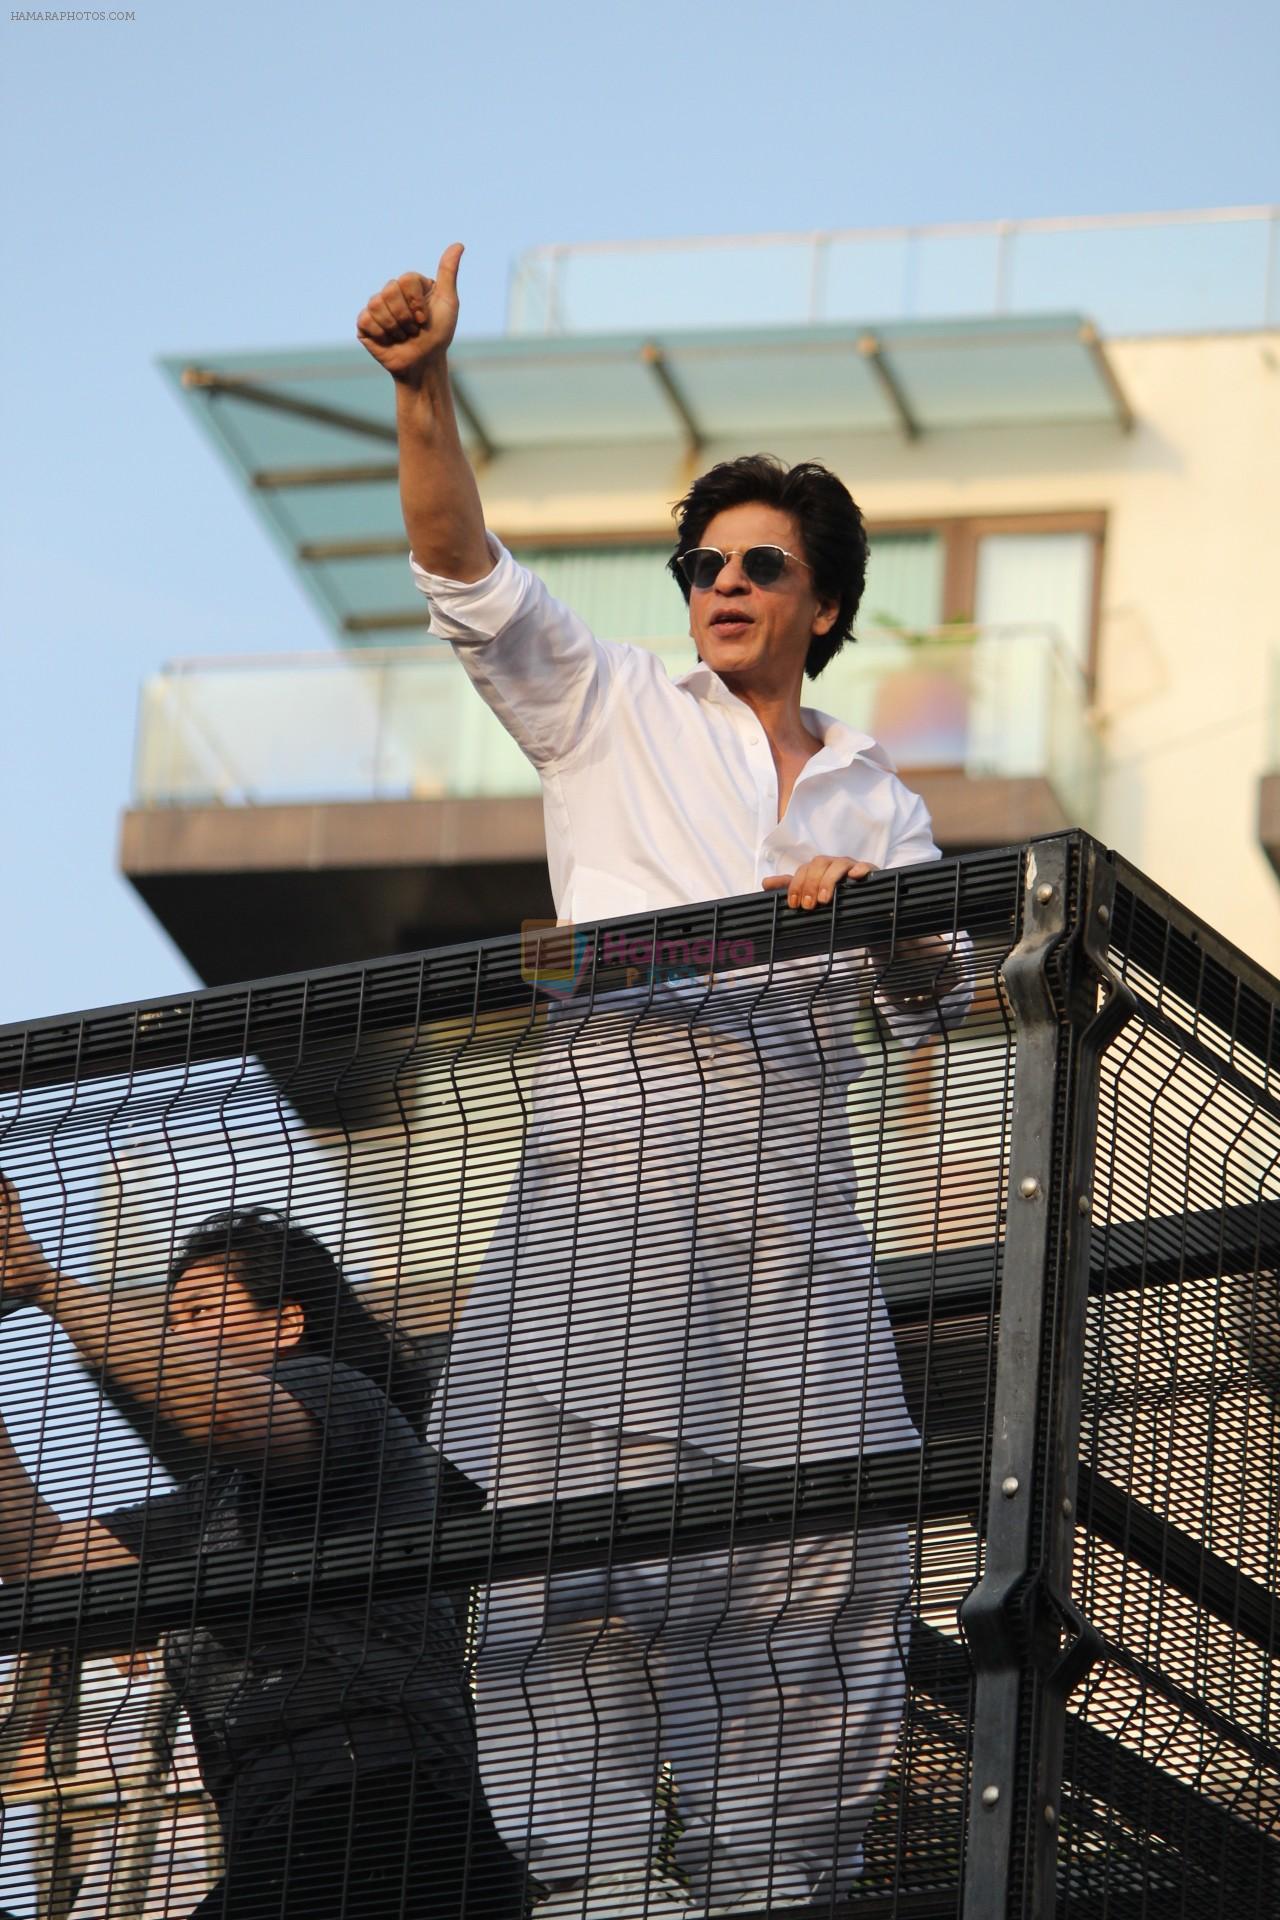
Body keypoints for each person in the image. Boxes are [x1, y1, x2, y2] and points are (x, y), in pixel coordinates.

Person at [356, 250, 971, 1918]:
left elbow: (942, 998)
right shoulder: (610, 703)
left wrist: (890, 932)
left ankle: (775, 1888)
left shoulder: (872, 790)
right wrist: (422, 390)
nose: (722, 583)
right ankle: (596, 1891)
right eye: (703, 561)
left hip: (785, 1213)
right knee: (565, 1579)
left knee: (832, 1563)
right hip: (612, 1183)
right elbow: (461, 566)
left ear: (824, 606)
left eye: (760, 566)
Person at [0, 1182, 528, 1920]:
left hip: (386, 1805)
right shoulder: (215, 1503)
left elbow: (220, 1410)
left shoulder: (340, 1394)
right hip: (280, 1827)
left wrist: (44, 1284)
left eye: (199, 1314)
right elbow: (47, 1570)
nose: (176, 1336)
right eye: (170, 1318)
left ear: (285, 1324)